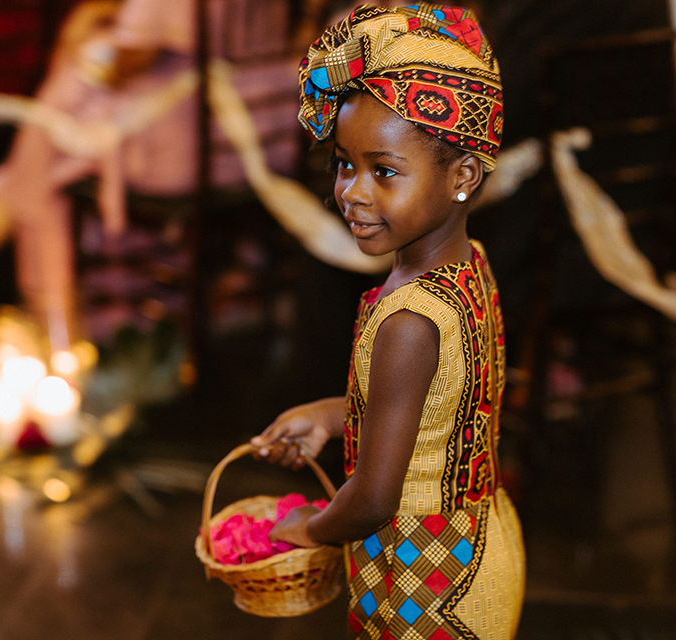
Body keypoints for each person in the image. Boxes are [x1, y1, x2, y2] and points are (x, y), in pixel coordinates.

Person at [249, 5, 525, 638]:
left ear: (462, 176)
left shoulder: (408, 318)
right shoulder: (467, 266)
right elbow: (434, 406)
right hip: (481, 536)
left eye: (385, 171)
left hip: (425, 575)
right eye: (345, 164)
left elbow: (373, 498)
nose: (353, 192)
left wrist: (308, 530)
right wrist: (331, 413)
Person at [0, 0, 299, 345]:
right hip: (266, 126)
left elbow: (133, 57)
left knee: (74, 81)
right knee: (80, 95)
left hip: (189, 146)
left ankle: (6, 198)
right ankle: (3, 192)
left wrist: (91, 38)